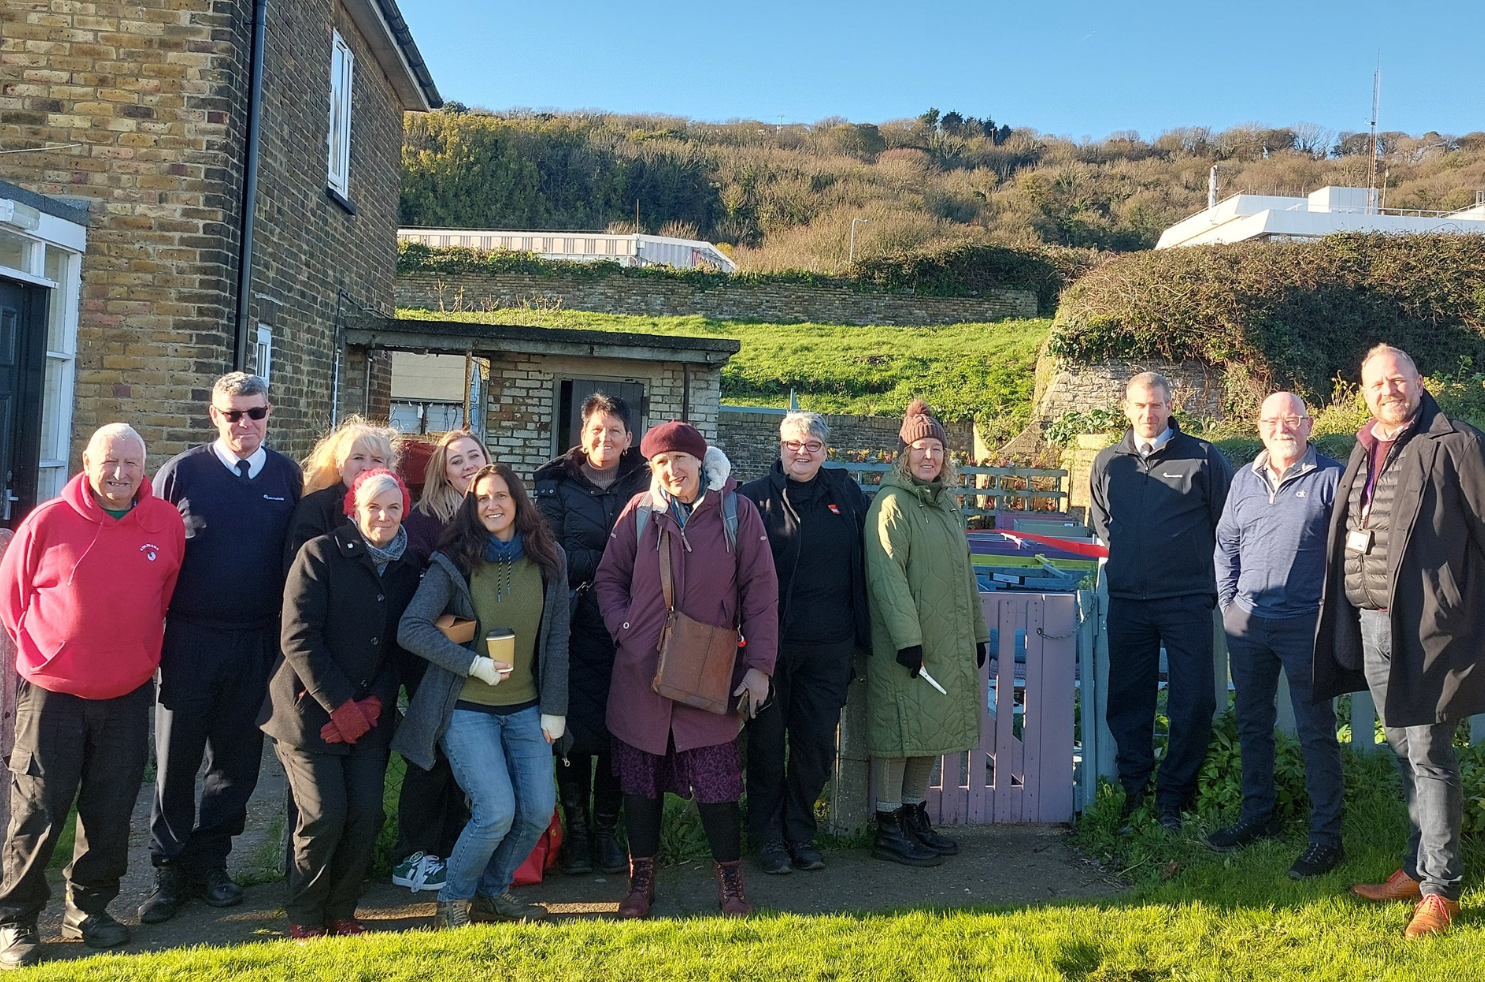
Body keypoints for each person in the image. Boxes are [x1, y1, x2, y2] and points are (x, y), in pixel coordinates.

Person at [1314, 344, 1485, 938]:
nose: (1388, 390)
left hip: (1429, 627)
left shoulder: (1456, 442)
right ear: (1363, 392)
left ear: (1418, 380)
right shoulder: (1365, 447)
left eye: (1398, 379)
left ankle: (1441, 890)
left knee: (1430, 753)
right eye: (1377, 383)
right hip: (1373, 623)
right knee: (1403, 748)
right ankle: (1416, 868)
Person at [0, 425, 185, 968]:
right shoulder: (48, 521)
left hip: (127, 693)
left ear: (144, 467)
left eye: (131, 463)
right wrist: (53, 653)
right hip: (53, 694)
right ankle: (15, 919)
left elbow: (164, 595)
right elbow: (12, 601)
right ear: (87, 461)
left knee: (110, 809)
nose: (120, 474)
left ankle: (89, 909)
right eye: (109, 461)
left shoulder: (166, 523)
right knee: (38, 809)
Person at [594, 421, 777, 918]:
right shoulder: (639, 512)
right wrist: (625, 629)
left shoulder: (737, 512)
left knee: (718, 785)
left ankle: (731, 884)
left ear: (700, 460)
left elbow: (762, 595)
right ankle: (640, 882)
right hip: (642, 673)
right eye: (660, 462)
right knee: (640, 784)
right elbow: (608, 578)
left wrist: (759, 666)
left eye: (680, 459)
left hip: (709, 671)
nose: (672, 469)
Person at [142, 372, 302, 923]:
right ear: (214, 416)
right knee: (176, 760)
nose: (244, 424)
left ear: (269, 413)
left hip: (257, 640)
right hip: (191, 638)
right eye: (232, 414)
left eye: (255, 412)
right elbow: (152, 554)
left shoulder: (286, 475)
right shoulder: (181, 473)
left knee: (236, 763)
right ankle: (168, 870)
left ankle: (211, 863)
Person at [394, 463, 571, 930]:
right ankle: (453, 899)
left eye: (500, 496)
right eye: (481, 498)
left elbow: (557, 638)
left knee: (537, 811)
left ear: (518, 501)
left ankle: (493, 893)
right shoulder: (454, 559)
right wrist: (473, 664)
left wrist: (555, 708)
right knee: (495, 812)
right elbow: (411, 628)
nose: (492, 505)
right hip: (467, 708)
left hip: (528, 707)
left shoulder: (549, 556)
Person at [265, 469, 424, 939]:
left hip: (370, 714)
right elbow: (299, 637)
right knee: (324, 813)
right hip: (307, 713)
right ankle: (304, 914)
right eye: (373, 506)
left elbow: (401, 645)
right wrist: (340, 705)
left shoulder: (408, 566)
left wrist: (374, 704)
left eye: (393, 507)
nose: (384, 516)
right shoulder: (320, 554)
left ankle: (342, 910)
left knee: (366, 814)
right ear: (354, 508)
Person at [1088, 372, 1233, 831]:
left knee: (1194, 700)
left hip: (1187, 600)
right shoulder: (1108, 462)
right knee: (1129, 700)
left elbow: (1226, 524)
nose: (1147, 413)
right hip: (1128, 601)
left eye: (1156, 405)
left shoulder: (1203, 457)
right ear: (1126, 408)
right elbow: (1105, 525)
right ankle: (1136, 792)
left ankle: (1174, 797)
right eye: (1139, 405)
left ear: (1171, 406)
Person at [1210, 392, 1345, 877]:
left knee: (1316, 731)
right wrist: (1229, 605)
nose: (1282, 428)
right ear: (1260, 426)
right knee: (1252, 723)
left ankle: (1326, 838)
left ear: (1309, 425)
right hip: (1249, 624)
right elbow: (1226, 545)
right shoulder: (1244, 479)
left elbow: (1349, 553)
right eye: (1272, 420)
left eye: (1292, 419)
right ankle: (1258, 815)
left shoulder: (1332, 477)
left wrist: (1331, 613)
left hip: (1307, 625)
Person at [738, 411, 870, 874]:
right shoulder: (753, 499)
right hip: (769, 649)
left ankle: (800, 832)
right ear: (780, 447)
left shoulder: (847, 496)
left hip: (830, 646)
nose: (802, 451)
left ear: (826, 451)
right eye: (794, 443)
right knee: (766, 747)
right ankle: (767, 838)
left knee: (814, 748)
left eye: (813, 444)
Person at [863, 400, 988, 868]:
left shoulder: (948, 507)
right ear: (904, 454)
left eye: (937, 448)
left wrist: (978, 633)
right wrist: (907, 640)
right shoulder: (891, 505)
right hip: (907, 646)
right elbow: (886, 576)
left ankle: (915, 816)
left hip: (945, 639)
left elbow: (965, 575)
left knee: (929, 731)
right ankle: (889, 825)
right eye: (920, 448)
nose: (929, 456)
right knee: (900, 732)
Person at [534, 393, 649, 876]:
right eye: (597, 430)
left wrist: (608, 564)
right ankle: (578, 834)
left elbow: (657, 546)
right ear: (582, 435)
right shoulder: (552, 482)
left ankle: (606, 831)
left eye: (615, 431)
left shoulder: (647, 478)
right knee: (573, 732)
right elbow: (552, 551)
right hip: (575, 622)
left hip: (631, 622)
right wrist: (618, 562)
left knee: (621, 730)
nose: (606, 439)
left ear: (629, 438)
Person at [388, 429, 491, 893]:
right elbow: (415, 599)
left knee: (467, 752)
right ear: (442, 472)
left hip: (486, 659)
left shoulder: (499, 510)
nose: (467, 466)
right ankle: (415, 852)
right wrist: (463, 629)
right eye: (456, 461)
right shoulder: (427, 519)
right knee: (432, 752)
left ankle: (454, 847)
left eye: (474, 456)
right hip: (436, 656)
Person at [283, 417, 399, 570]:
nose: (367, 467)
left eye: (377, 460)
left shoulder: (398, 509)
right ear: (340, 465)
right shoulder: (314, 508)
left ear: (388, 468)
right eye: (358, 458)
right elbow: (298, 569)